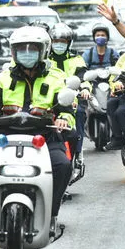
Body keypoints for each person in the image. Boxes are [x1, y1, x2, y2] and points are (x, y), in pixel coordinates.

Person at [0, 26, 73, 228]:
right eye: (22, 48)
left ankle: (52, 212)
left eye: (32, 48)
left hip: (45, 136)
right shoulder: (2, 78)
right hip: (7, 135)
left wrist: (63, 119)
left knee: (63, 165)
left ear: (43, 51)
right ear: (14, 51)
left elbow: (66, 108)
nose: (27, 53)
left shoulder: (56, 78)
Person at [48, 23, 91, 183]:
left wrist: (85, 89)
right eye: (56, 41)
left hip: (73, 99)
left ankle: (77, 154)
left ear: (69, 43)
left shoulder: (76, 59)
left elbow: (83, 78)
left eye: (63, 42)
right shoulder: (45, 59)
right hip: (50, 101)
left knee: (79, 113)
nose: (59, 44)